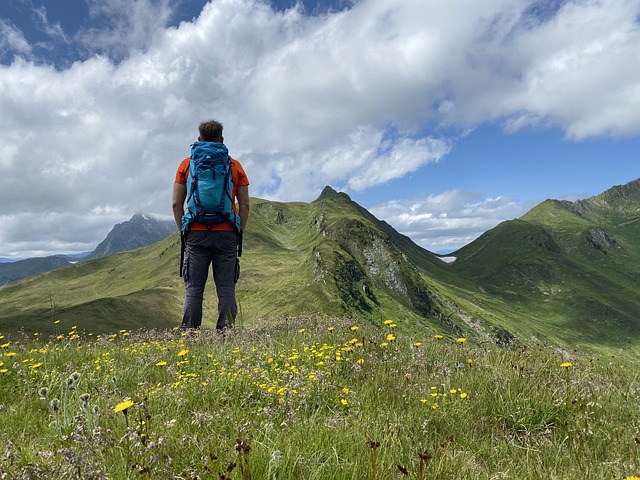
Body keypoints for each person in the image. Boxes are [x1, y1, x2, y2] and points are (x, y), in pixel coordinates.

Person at [172, 120, 250, 331]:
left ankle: (190, 337)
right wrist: (237, 231)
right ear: (222, 140)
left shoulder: (186, 165)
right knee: (226, 289)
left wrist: (184, 231)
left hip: (196, 233)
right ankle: (225, 337)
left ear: (199, 139)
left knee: (194, 290)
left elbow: (176, 203)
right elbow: (244, 205)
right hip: (226, 234)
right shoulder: (235, 166)